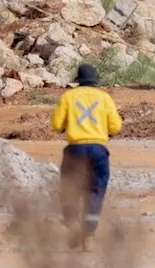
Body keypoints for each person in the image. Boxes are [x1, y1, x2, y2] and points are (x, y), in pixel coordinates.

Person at [51, 63, 122, 252]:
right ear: (96, 80)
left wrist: (68, 125)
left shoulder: (68, 97)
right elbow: (115, 127)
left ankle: (72, 224)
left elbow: (56, 125)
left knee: (69, 188)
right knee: (95, 191)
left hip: (75, 150)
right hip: (98, 150)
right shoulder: (104, 98)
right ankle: (89, 235)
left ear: (78, 81)